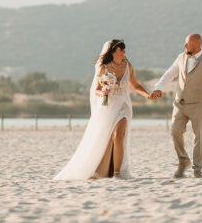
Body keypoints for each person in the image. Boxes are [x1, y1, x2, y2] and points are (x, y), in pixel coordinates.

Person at [54, 39, 152, 180]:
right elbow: (97, 90)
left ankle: (117, 173)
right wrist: (104, 92)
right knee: (104, 138)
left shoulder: (128, 66)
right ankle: (105, 169)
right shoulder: (103, 68)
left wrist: (147, 95)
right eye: (121, 50)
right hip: (108, 107)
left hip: (124, 105)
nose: (124, 53)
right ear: (112, 52)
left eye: (124, 50)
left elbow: (135, 85)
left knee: (118, 135)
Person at [150, 33, 202, 178]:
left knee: (198, 137)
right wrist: (158, 87)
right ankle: (183, 160)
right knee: (175, 132)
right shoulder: (180, 57)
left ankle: (197, 168)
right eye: (185, 43)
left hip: (198, 105)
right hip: (179, 103)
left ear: (197, 45)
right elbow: (170, 73)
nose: (184, 46)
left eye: (187, 44)